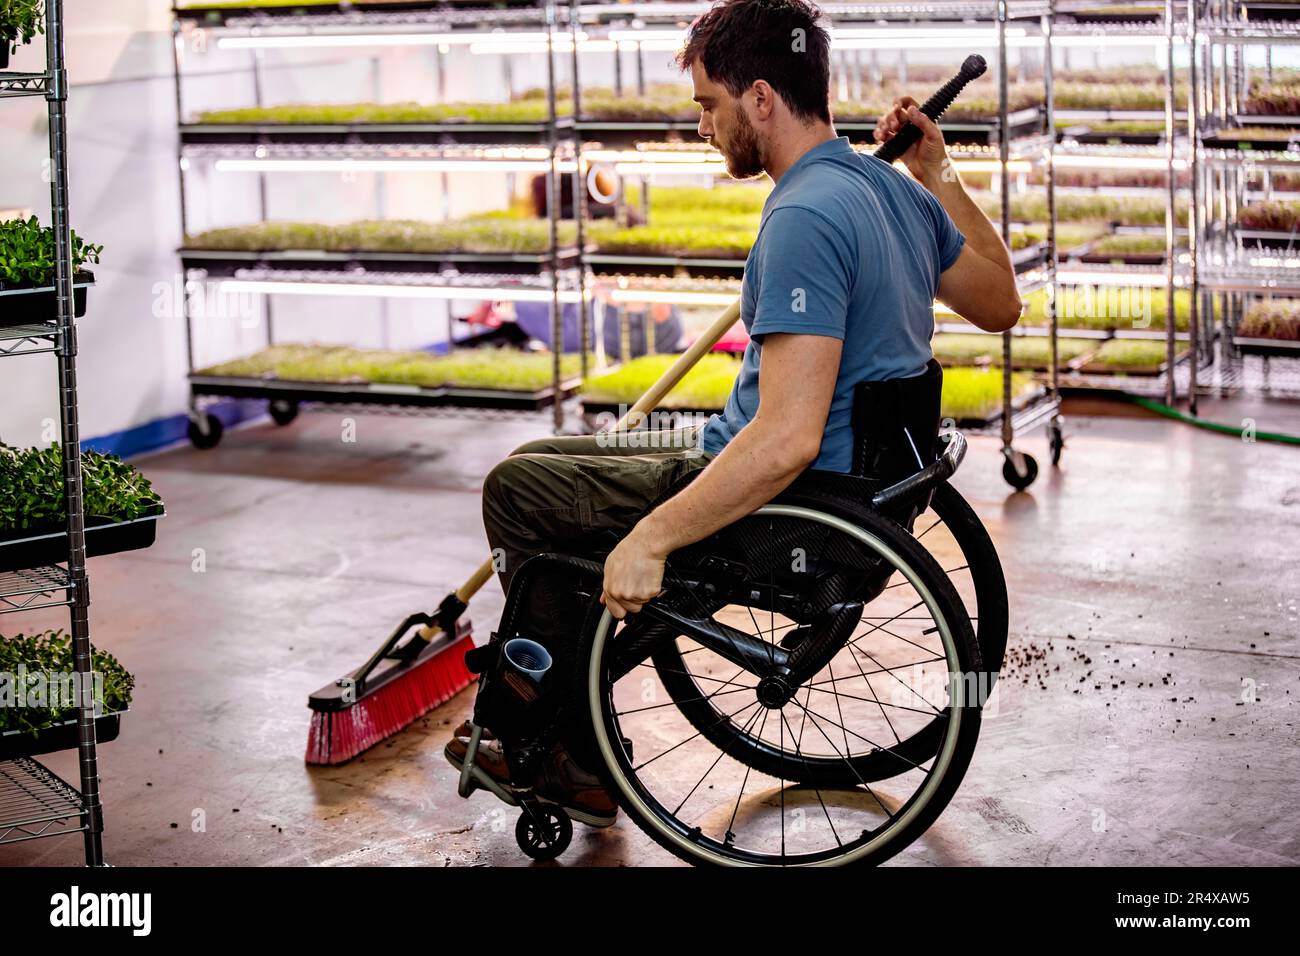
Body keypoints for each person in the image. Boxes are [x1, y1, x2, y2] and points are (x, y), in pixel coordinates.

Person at [444, 0, 1021, 827]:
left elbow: (785, 439)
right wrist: (939, 176)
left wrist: (651, 538)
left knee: (517, 491)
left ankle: (556, 726)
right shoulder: (886, 191)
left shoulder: (805, 215)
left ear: (759, 98)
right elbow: (1002, 300)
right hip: (870, 488)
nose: (703, 126)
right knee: (544, 456)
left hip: (789, 512)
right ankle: (569, 702)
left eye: (709, 106)